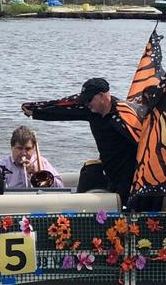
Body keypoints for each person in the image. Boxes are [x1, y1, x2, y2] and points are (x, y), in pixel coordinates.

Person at [22, 77, 139, 208]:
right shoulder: (90, 111)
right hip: (109, 170)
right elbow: (64, 108)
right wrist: (35, 111)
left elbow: (142, 141)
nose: (87, 103)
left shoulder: (124, 115)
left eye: (89, 100)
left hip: (129, 174)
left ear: (101, 96)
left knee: (125, 207)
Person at [0, 125, 65, 189]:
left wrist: (37, 174)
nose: (23, 153)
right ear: (12, 147)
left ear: (33, 149)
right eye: (19, 148)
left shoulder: (42, 162)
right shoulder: (2, 165)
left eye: (28, 149)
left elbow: (60, 187)